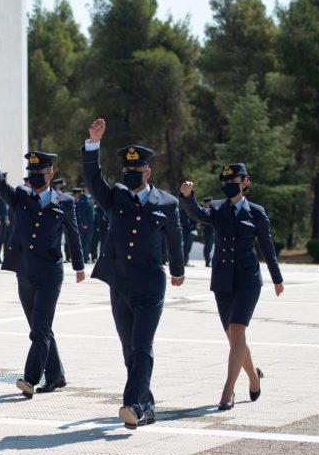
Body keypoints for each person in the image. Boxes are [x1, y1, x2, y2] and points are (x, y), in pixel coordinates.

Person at [82, 118, 185, 429]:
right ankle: (147, 405)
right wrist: (93, 144)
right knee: (129, 349)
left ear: (147, 172)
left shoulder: (166, 202)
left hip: (150, 284)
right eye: (126, 172)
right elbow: (93, 178)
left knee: (142, 345)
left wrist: (178, 271)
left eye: (136, 172)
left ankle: (132, 405)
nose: (130, 176)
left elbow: (175, 239)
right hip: (120, 283)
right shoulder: (115, 196)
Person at [179, 164, 283, 410]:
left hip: (248, 280)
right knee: (234, 337)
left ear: (245, 182)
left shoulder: (256, 212)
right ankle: (254, 377)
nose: (228, 184)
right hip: (223, 281)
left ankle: (228, 391)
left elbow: (267, 247)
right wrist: (188, 197)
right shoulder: (217, 208)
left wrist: (277, 278)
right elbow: (198, 214)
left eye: (233, 180)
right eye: (224, 180)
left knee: (237, 330)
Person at [0, 147, 86, 397]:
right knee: (41, 327)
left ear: (50, 173)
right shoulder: (21, 196)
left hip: (50, 273)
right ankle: (56, 376)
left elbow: (73, 234)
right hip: (25, 272)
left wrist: (79, 266)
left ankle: (30, 378)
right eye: (31, 172)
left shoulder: (65, 201)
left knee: (39, 329)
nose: (34, 175)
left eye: (39, 171)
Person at [74, 186, 95, 262]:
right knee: (84, 241)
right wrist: (83, 223)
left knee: (88, 241)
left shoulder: (90, 198)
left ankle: (85, 256)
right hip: (85, 225)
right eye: (87, 187)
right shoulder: (82, 198)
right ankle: (83, 257)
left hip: (91, 224)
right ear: (85, 188)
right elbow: (81, 212)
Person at [201, 197, 215, 266]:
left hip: (213, 232)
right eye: (210, 202)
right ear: (206, 203)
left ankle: (209, 260)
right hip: (208, 231)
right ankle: (207, 261)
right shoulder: (204, 210)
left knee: (210, 247)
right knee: (207, 247)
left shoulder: (213, 210)